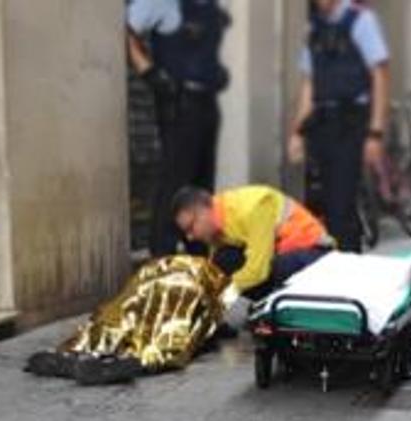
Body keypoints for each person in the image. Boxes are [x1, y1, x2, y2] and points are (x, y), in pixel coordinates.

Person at [127, 0, 231, 257]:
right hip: (179, 103)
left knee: (202, 185)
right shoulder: (162, 3)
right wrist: (148, 71)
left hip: (207, 103)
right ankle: (162, 256)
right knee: (174, 182)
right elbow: (124, 30)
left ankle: (199, 257)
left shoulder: (211, 7)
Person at [288, 0, 391, 254]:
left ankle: (348, 271)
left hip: (350, 124)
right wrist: (297, 132)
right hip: (321, 125)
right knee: (319, 205)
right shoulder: (314, 28)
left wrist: (375, 132)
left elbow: (380, 74)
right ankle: (328, 269)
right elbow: (309, 84)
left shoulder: (360, 20)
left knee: (341, 206)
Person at [172, 186, 336, 310]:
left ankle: (280, 309)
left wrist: (220, 293)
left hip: (315, 256)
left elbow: (258, 270)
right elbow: (217, 270)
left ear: (203, 212)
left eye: (190, 228)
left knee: (278, 267)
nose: (190, 237)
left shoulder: (253, 208)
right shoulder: (219, 227)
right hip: (286, 255)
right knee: (224, 261)